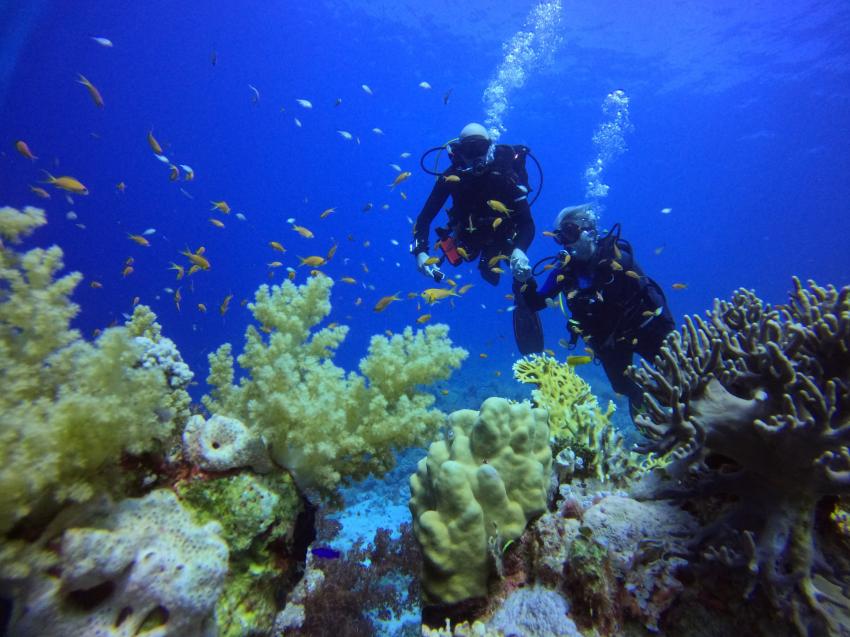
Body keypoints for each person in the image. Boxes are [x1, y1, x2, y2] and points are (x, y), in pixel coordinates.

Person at [520, 204, 675, 414]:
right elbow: (536, 303)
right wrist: (525, 280)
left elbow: (648, 294)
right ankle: (646, 410)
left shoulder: (618, 259)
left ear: (589, 232)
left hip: (641, 329)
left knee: (673, 372)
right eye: (560, 236)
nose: (565, 242)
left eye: (570, 232)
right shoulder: (564, 271)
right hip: (607, 342)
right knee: (622, 387)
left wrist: (667, 330)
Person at [411, 122, 543, 353]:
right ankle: (488, 265)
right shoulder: (451, 177)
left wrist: (520, 250)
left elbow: (527, 224)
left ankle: (523, 300)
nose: (474, 156)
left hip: (504, 237)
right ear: (459, 152)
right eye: (468, 150)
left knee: (520, 275)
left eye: (479, 148)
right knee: (485, 269)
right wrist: (420, 252)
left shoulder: (505, 174)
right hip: (468, 238)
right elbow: (424, 219)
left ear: (489, 147)